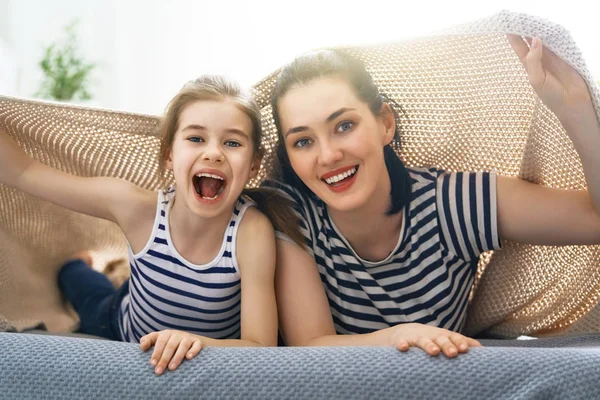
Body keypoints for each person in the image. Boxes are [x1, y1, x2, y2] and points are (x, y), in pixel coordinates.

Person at [263, 35, 600, 358]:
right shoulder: (291, 214)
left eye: (344, 126)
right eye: (303, 141)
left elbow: (595, 221)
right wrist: (400, 336)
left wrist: (576, 107)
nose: (328, 156)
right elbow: (309, 346)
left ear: (385, 124)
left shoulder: (450, 204)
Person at [0, 75, 302, 374]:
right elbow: (24, 172)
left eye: (232, 142)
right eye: (196, 138)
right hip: (119, 324)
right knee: (85, 289)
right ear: (169, 154)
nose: (213, 153)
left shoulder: (251, 231)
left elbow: (259, 345)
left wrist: (194, 342)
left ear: (254, 164)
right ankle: (79, 265)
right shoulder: (137, 207)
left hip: (203, 341)